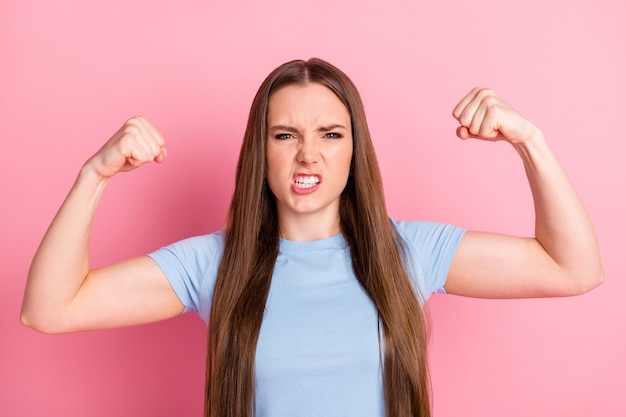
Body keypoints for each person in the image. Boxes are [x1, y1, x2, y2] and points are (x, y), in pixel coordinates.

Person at [21, 58, 604, 417]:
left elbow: (572, 268)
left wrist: (531, 142)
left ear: (354, 151)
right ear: (261, 152)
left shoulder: (409, 254)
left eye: (330, 133)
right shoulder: (213, 264)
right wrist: (93, 176)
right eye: (285, 134)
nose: (308, 153)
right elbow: (49, 309)